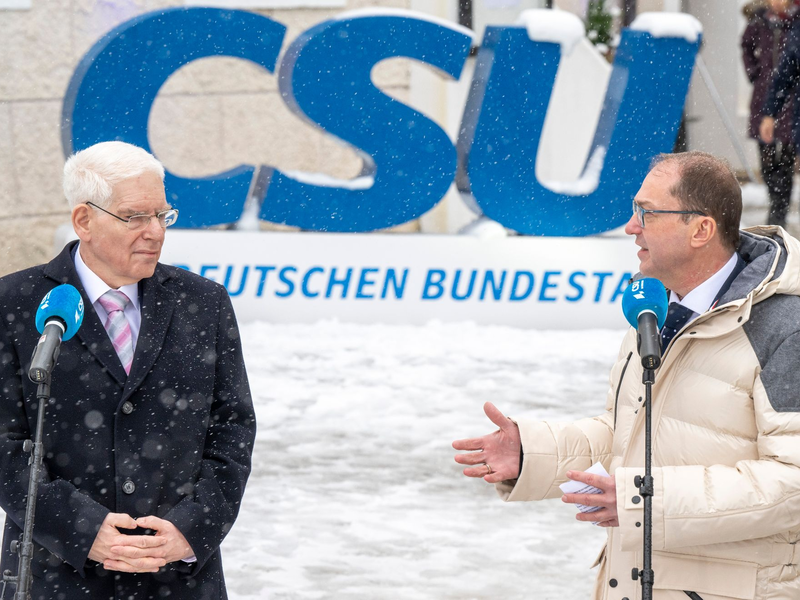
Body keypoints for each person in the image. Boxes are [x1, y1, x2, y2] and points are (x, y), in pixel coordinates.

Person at [453, 152, 800, 599]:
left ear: (702, 229)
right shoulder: (656, 311)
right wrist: (533, 452)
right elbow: (628, 436)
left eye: (647, 213)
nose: (630, 227)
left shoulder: (786, 326)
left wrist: (644, 499)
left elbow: (793, 483)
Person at [0, 141, 256, 599]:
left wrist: (192, 528)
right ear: (85, 221)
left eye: (162, 215)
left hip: (178, 576)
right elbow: (4, 443)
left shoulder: (204, 303)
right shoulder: (15, 304)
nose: (155, 232)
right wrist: (80, 528)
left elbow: (233, 429)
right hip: (57, 575)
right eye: (135, 217)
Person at [742, 0, 798, 228]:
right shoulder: (759, 23)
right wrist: (755, 73)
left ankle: (779, 211)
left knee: (785, 158)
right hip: (765, 97)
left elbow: (789, 66)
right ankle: (774, 199)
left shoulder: (794, 24)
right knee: (766, 159)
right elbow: (746, 47)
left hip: (792, 101)